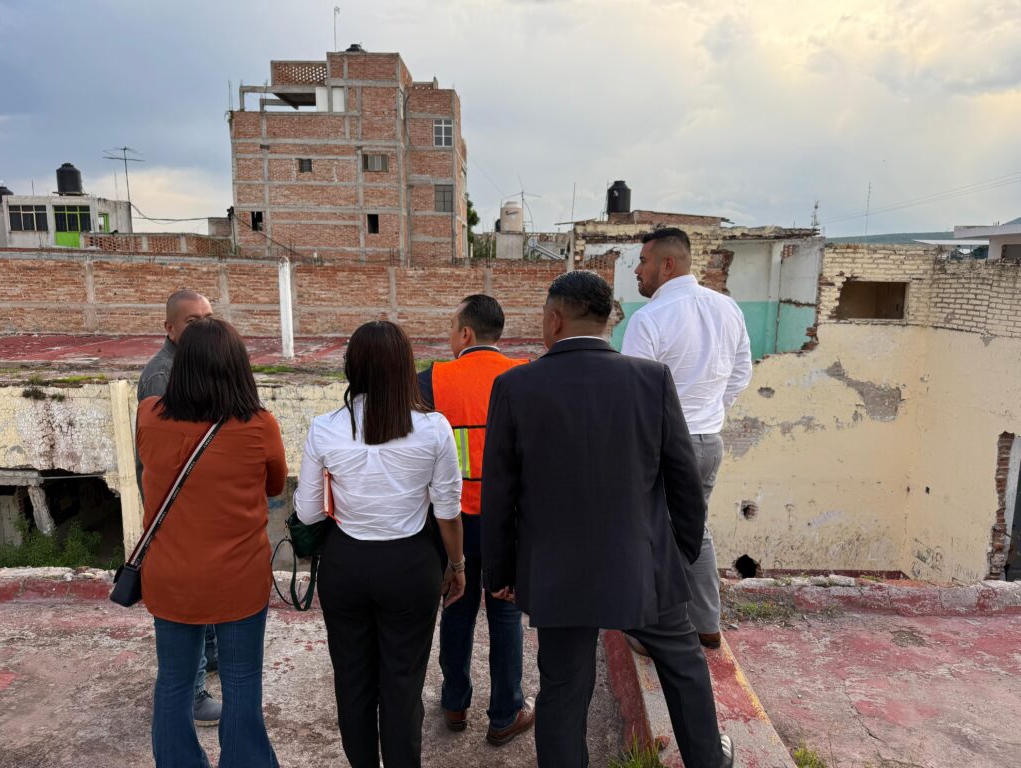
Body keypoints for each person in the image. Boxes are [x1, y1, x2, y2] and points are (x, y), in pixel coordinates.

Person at [482, 271, 734, 768]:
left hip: (556, 572)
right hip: (642, 562)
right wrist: (680, 554)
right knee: (682, 664)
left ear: (555, 319)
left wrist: (502, 572)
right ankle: (708, 759)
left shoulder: (515, 386)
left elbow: (500, 493)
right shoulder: (651, 379)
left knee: (563, 687)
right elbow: (684, 480)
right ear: (605, 321)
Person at [293, 320, 466, 768]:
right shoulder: (434, 428)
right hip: (411, 565)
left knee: (352, 682)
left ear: (352, 368)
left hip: (346, 565)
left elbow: (308, 514)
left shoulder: (325, 428)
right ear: (406, 367)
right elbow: (448, 511)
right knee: (403, 685)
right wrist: (457, 565)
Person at [136, 317, 287, 768]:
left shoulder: (149, 414)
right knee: (241, 682)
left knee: (174, 682)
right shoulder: (259, 425)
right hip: (237, 578)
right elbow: (275, 486)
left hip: (170, 577)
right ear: (238, 366)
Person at [621, 228, 752, 649]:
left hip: (661, 445)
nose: (637, 270)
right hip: (708, 441)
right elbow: (741, 373)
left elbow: (633, 393)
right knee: (696, 529)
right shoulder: (727, 308)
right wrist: (709, 412)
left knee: (651, 532)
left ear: (667, 264)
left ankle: (654, 633)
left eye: (643, 261)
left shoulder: (650, 319)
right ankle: (706, 623)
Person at [418, 294, 534, 745]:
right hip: (509, 522)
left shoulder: (433, 379)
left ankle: (454, 702)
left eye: (452, 326)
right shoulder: (525, 375)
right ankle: (505, 714)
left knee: (456, 606)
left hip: (453, 523)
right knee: (505, 613)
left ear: (465, 333)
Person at [137, 289, 221, 727]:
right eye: (192, 320)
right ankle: (192, 696)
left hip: (196, 509)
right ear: (169, 328)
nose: (204, 325)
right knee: (183, 606)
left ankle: (210, 656)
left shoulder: (195, 367)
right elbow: (169, 456)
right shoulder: (162, 377)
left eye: (208, 317)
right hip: (174, 510)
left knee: (203, 595)